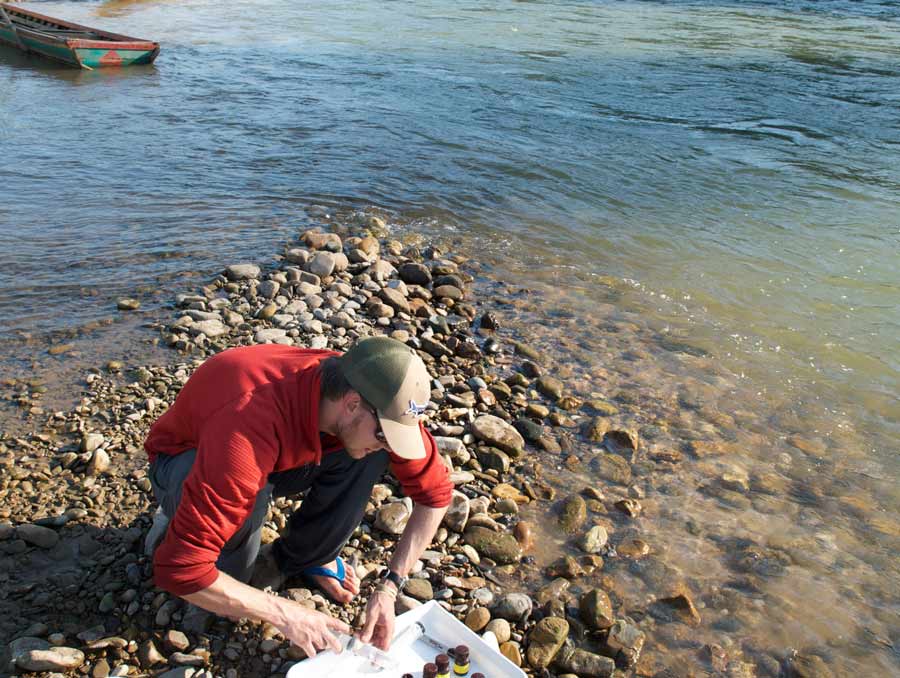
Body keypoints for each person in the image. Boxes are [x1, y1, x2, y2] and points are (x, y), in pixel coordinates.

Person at [143, 336, 453, 657]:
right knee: (228, 587)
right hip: (186, 457)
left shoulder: (373, 395)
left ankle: (299, 558)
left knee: (367, 452)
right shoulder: (249, 424)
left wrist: (389, 588)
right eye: (385, 435)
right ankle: (176, 512)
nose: (390, 444)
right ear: (351, 403)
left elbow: (436, 496)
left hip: (272, 454)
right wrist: (285, 613)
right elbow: (180, 570)